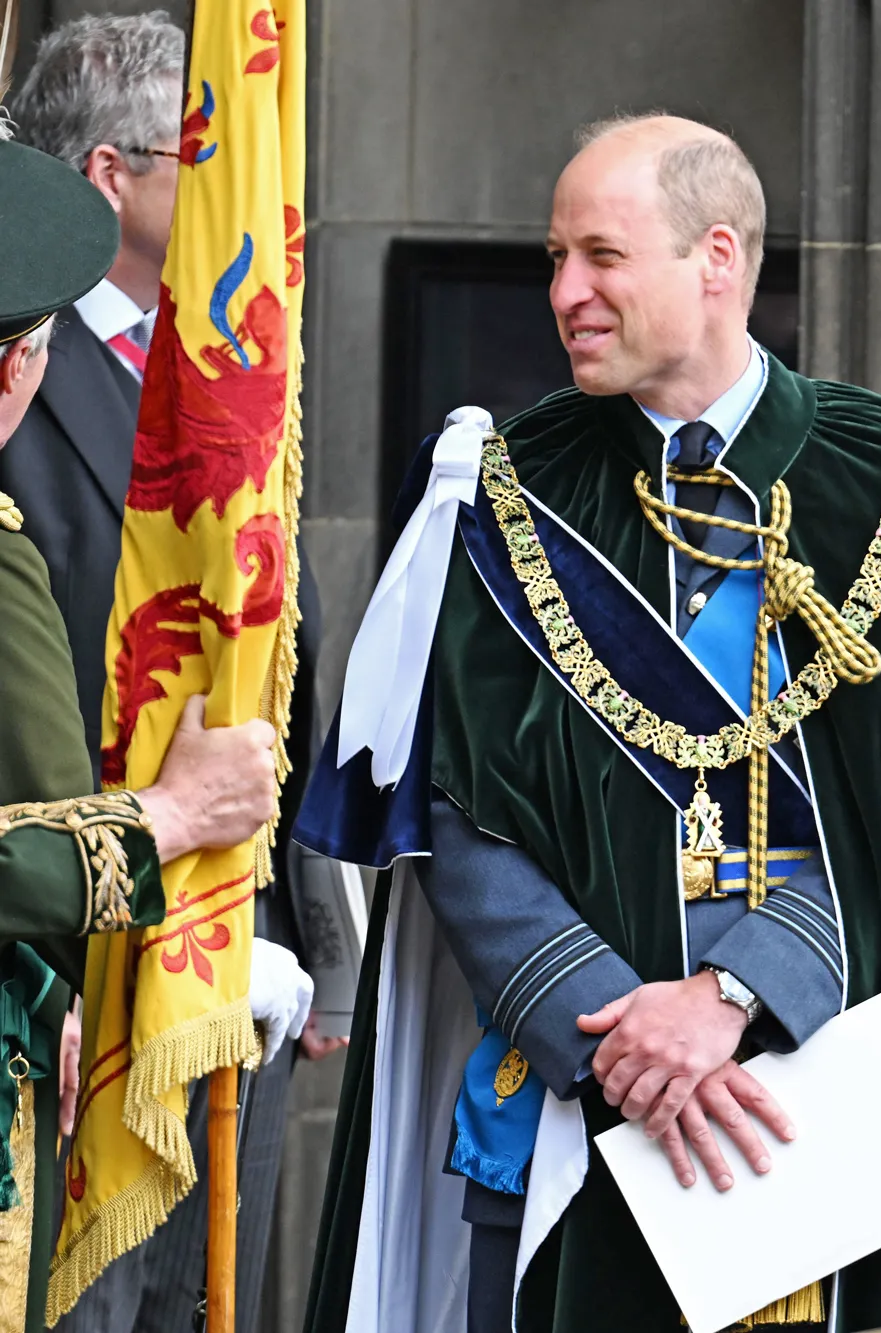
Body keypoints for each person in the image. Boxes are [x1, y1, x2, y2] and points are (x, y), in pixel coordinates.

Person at [296, 113, 881, 1333]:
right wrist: (613, 1035)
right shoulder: (503, 487)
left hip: (816, 1101)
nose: (564, 294)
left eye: (602, 256)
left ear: (717, 258)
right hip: (568, 1090)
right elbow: (456, 809)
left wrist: (733, 994)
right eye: (554, 259)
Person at [4, 18, 339, 1330]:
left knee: (209, 1304)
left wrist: (310, 930)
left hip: (235, 942)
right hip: (74, 943)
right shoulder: (20, 344)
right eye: (195, 158)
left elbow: (276, 646)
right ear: (109, 175)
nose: (232, 195)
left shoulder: (224, 359)